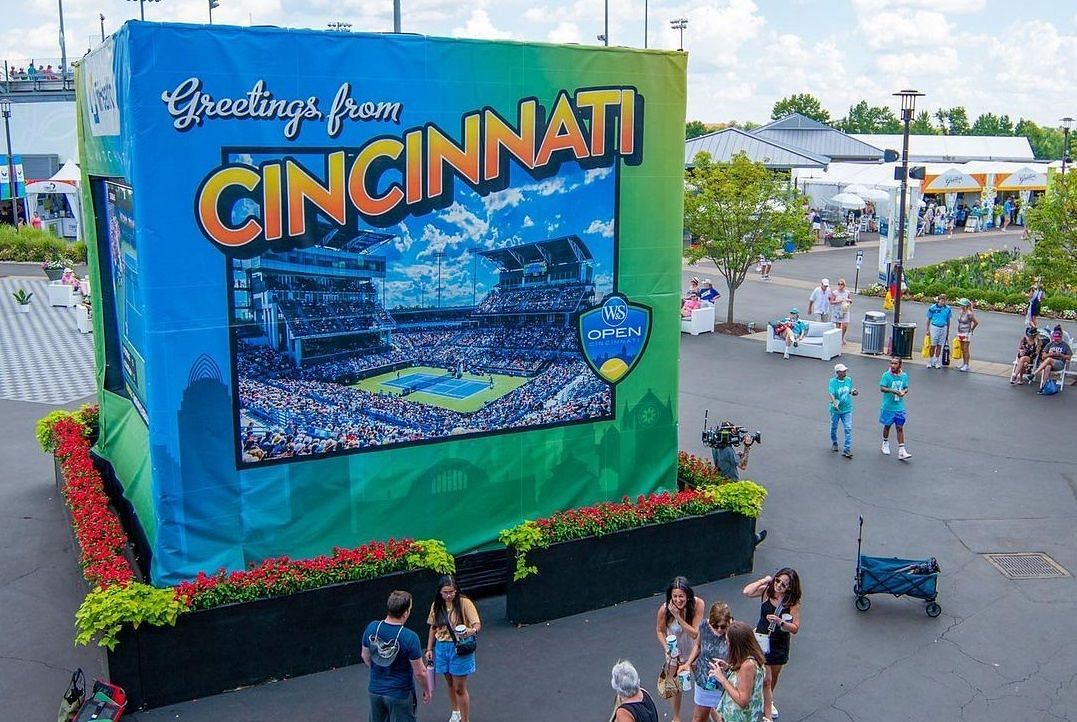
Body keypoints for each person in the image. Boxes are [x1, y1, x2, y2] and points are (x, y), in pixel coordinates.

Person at [361, 590, 431, 722]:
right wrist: (427, 689)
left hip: (375, 690)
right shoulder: (410, 637)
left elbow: (365, 656)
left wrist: (379, 669)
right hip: (399, 694)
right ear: (406, 612)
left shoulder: (372, 628)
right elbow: (420, 672)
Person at [742, 569, 801, 722]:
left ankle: (768, 701)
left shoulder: (792, 603)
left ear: (790, 587)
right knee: (762, 675)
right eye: (778, 581)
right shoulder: (768, 592)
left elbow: (795, 628)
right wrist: (764, 580)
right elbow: (747, 592)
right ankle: (754, 698)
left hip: (778, 643)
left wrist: (780, 622)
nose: (779, 585)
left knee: (772, 677)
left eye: (784, 584)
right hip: (761, 639)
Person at [425, 575, 481, 722]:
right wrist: (429, 649)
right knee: (450, 682)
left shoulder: (464, 603)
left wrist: (471, 631)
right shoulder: (437, 605)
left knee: (459, 687)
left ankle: (465, 719)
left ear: (456, 590)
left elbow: (477, 625)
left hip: (459, 647)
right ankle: (455, 712)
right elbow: (433, 627)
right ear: (440, 593)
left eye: (452, 592)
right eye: (445, 592)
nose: (449, 595)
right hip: (442, 647)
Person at [655, 577, 706, 722]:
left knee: (703, 682)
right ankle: (676, 717)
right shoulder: (664, 610)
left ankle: (712, 714)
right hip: (675, 654)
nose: (678, 600)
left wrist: (678, 616)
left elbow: (695, 633)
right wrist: (666, 648)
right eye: (675, 596)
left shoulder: (698, 604)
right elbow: (659, 630)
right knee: (675, 686)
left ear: (688, 595)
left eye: (681, 596)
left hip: (695, 651)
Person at [707, 621, 766, 722]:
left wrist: (722, 679)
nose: (726, 643)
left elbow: (743, 701)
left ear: (737, 644)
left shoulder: (747, 666)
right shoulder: (750, 657)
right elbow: (744, 680)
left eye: (728, 641)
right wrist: (728, 668)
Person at [683, 601, 732, 722]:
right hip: (704, 677)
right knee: (699, 718)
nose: (719, 629)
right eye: (716, 626)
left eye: (723, 626)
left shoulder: (734, 632)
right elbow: (698, 646)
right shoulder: (704, 626)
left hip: (725, 682)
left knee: (727, 717)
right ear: (710, 621)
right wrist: (688, 663)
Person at [879, 357, 911, 460]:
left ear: (900, 365)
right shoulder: (886, 375)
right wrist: (894, 391)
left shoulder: (904, 376)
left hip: (899, 407)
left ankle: (902, 450)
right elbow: (882, 388)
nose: (893, 366)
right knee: (887, 426)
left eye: (895, 364)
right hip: (888, 407)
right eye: (891, 363)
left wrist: (903, 392)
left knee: (899, 427)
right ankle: (885, 443)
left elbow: (906, 387)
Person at [828, 363, 858, 458]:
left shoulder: (848, 380)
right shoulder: (833, 382)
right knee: (834, 427)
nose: (845, 372)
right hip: (836, 410)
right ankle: (834, 442)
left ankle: (847, 449)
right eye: (842, 371)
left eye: (845, 371)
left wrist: (853, 392)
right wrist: (835, 404)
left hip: (847, 409)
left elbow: (850, 390)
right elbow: (831, 393)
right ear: (837, 372)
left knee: (848, 428)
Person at [1033, 326, 1072, 393]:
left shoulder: (1065, 345)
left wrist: (1061, 355)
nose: (1056, 340)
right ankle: (1044, 386)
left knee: (1049, 360)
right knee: (1047, 367)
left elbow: (1069, 357)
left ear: (1060, 337)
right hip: (1050, 363)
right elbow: (1043, 356)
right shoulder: (1050, 344)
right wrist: (1050, 354)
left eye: (1058, 338)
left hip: (1060, 363)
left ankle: (1034, 373)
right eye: (1055, 338)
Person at [924, 294, 952, 369]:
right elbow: (928, 319)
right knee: (933, 345)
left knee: (940, 345)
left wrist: (948, 330)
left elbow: (948, 320)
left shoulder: (948, 309)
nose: (943, 302)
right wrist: (927, 329)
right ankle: (930, 360)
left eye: (944, 300)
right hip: (935, 327)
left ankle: (936, 361)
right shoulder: (932, 308)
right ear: (939, 300)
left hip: (943, 327)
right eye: (942, 300)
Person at [954, 298, 979, 372]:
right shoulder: (961, 311)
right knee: (962, 348)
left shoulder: (969, 313)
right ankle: (963, 363)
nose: (960, 306)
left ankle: (966, 364)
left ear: (965, 305)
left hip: (966, 333)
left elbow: (976, 322)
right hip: (960, 331)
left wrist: (971, 330)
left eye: (961, 305)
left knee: (965, 349)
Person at [827, 279, 852, 344]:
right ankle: (837, 339)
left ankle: (842, 337)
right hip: (837, 311)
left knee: (845, 325)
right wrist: (838, 301)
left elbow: (850, 300)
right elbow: (831, 302)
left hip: (844, 310)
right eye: (839, 284)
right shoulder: (835, 292)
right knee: (837, 326)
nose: (840, 285)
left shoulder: (847, 292)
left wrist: (849, 301)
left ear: (844, 285)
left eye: (842, 284)